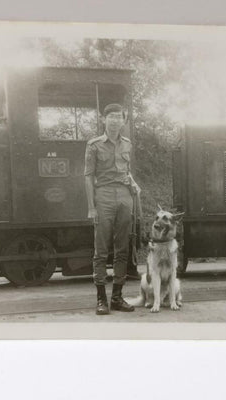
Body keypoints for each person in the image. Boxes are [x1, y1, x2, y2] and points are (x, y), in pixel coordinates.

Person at [84, 103, 141, 315]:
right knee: (101, 251)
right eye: (111, 116)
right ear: (103, 119)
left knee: (122, 249)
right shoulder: (94, 145)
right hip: (104, 196)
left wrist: (133, 185)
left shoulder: (127, 144)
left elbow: (127, 171)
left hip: (125, 197)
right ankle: (101, 299)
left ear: (124, 121)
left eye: (119, 117)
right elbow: (88, 177)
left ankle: (117, 297)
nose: (115, 120)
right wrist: (91, 207)